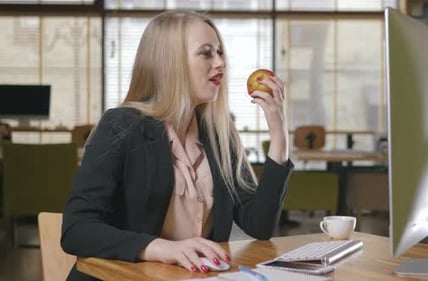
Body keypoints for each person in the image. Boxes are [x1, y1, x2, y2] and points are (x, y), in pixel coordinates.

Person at [61, 10, 293, 281]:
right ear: (171, 63)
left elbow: (259, 225)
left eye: (219, 52)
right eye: (206, 53)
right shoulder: (122, 125)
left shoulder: (219, 134)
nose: (220, 63)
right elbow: (77, 229)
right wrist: (161, 248)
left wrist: (279, 134)